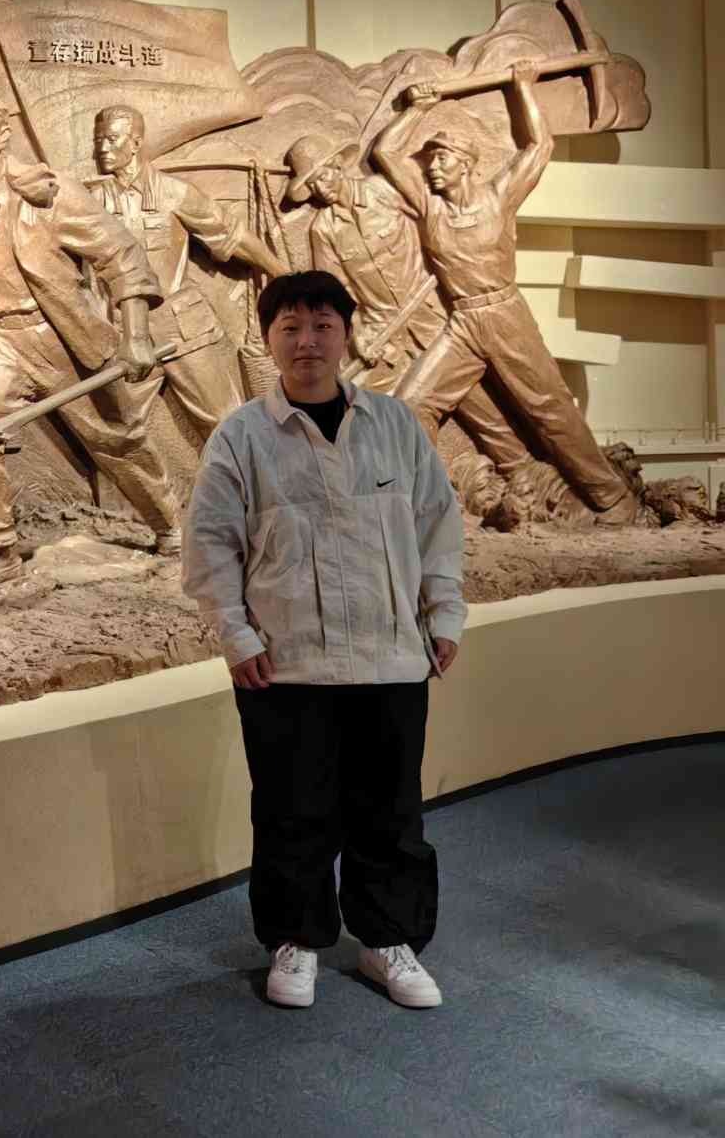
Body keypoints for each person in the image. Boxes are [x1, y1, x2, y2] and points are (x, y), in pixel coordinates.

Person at [183, 269, 464, 1011]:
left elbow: (437, 524)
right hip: (286, 665)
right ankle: (296, 939)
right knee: (291, 811)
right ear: (268, 340)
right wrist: (236, 635)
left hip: (390, 657)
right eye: (290, 328)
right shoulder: (242, 436)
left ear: (345, 335)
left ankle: (387, 940)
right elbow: (210, 545)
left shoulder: (394, 425)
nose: (307, 341)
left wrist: (445, 615)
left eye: (322, 326)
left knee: (391, 813)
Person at [0, 92, 171, 590]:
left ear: (2, 136)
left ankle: (170, 527)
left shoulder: (50, 194)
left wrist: (136, 334)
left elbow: (121, 255)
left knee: (117, 439)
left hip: (62, 341)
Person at [372, 65, 638, 524]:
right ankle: (429, 504)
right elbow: (385, 151)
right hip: (464, 322)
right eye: (430, 159)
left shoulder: (499, 196)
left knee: (549, 409)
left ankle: (613, 498)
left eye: (442, 158)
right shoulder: (429, 206)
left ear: (466, 162)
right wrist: (417, 109)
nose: (432, 167)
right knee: (412, 406)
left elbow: (540, 146)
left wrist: (523, 87)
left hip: (504, 314)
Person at [283, 129, 533, 507]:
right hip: (385, 335)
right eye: (313, 183)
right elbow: (333, 294)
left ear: (338, 166)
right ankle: (419, 494)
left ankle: (522, 473)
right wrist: (357, 333)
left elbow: (434, 220)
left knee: (476, 406)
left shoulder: (384, 192)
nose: (321, 187)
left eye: (323, 174)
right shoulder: (324, 229)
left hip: (432, 317)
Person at [87, 104, 287, 437]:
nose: (103, 149)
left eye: (112, 139)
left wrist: (282, 274)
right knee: (117, 434)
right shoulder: (93, 202)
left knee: (226, 421)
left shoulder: (173, 192)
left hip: (180, 328)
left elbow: (231, 234)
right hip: (122, 333)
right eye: (98, 141)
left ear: (135, 143)